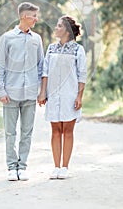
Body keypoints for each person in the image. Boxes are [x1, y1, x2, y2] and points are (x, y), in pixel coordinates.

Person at [0, 2, 44, 181]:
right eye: (33, 16)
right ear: (24, 16)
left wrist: (41, 91)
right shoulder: (6, 38)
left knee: (27, 132)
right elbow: (0, 66)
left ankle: (22, 166)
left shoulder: (36, 39)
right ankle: (11, 167)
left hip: (30, 93)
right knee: (10, 132)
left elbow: (41, 66)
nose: (36, 20)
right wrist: (1, 90)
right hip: (10, 94)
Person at [37, 15, 87, 179]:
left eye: (59, 26)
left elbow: (82, 75)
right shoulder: (51, 48)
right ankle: (56, 167)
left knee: (68, 130)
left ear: (66, 30)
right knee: (55, 130)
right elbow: (45, 72)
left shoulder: (78, 50)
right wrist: (42, 92)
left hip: (70, 95)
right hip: (53, 94)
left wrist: (79, 96)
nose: (56, 28)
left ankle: (65, 167)